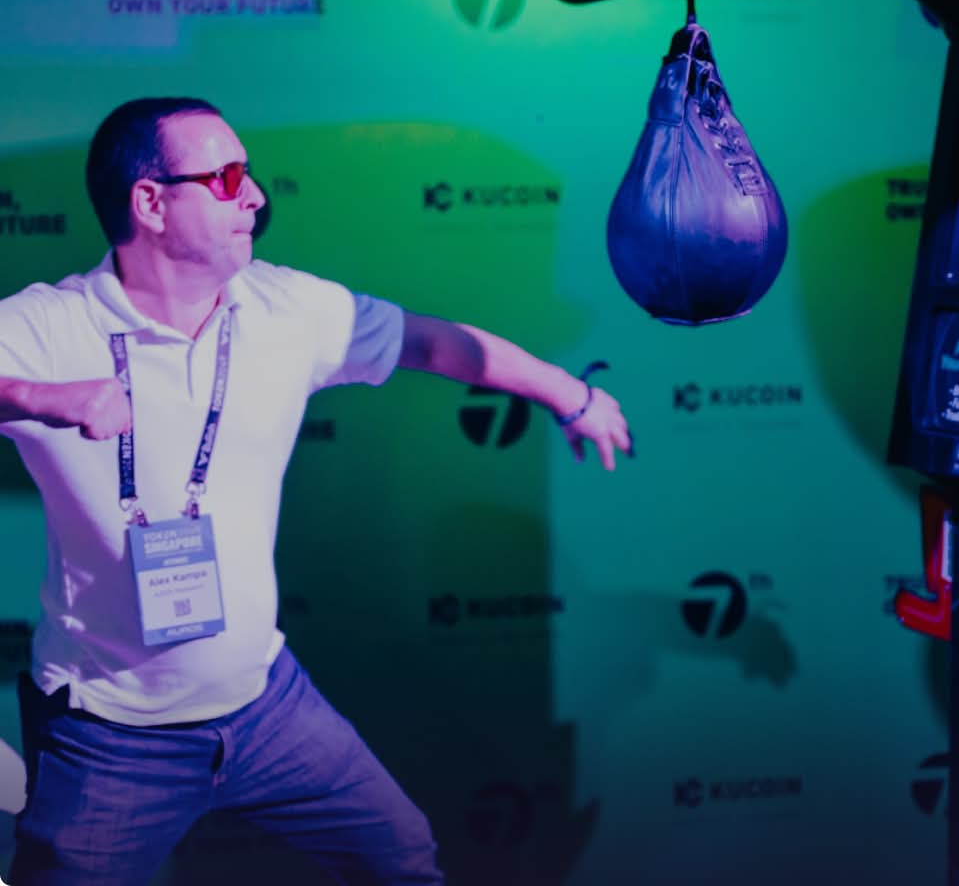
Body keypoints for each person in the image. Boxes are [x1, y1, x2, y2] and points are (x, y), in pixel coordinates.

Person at [0, 97, 633, 885]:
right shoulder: (51, 328)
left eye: (249, 175)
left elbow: (431, 343)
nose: (256, 196)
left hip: (267, 707)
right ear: (150, 203)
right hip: (111, 735)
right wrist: (41, 397)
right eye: (227, 178)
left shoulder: (284, 308)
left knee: (403, 858)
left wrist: (571, 396)